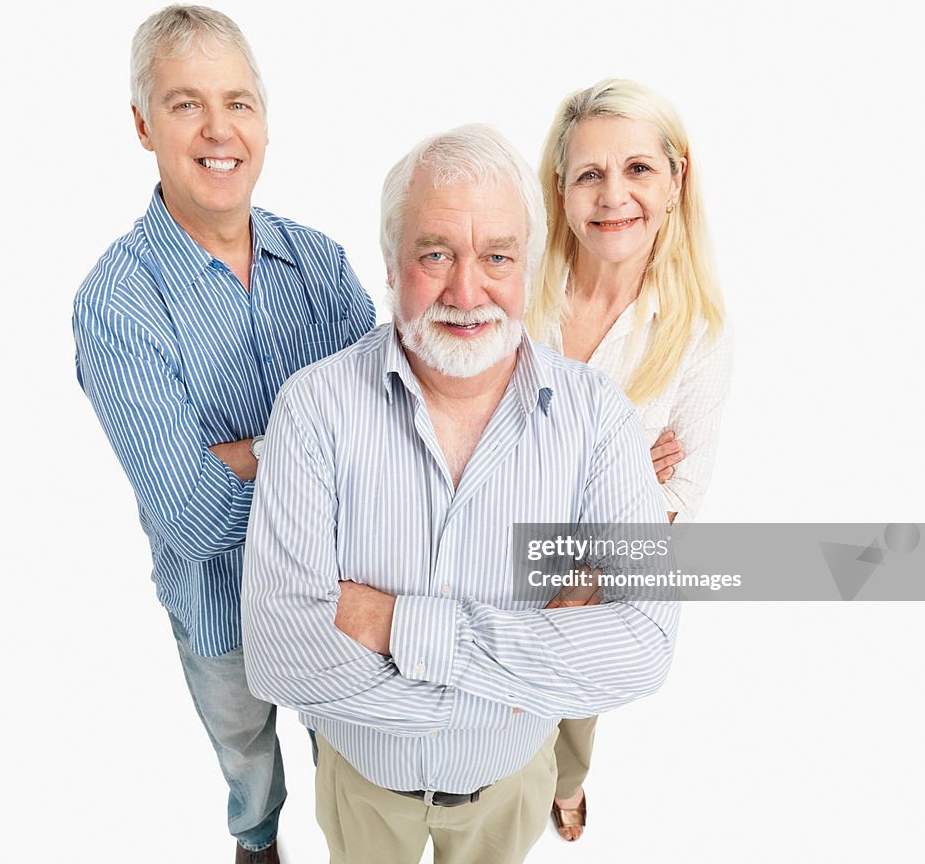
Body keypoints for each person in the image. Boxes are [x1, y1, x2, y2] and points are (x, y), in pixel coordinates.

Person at [241, 124, 680, 864]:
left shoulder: (600, 416)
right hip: (364, 785)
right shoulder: (313, 407)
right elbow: (282, 654)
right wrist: (516, 685)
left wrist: (392, 624)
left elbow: (645, 644)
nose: (466, 290)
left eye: (497, 256)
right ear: (390, 262)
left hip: (508, 786)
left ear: (530, 267)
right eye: (435, 253)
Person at [72, 4, 376, 864]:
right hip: (220, 608)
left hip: (338, 597)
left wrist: (243, 452)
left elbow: (389, 427)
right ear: (143, 124)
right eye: (185, 104)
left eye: (239, 102)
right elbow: (194, 519)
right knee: (247, 754)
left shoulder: (320, 262)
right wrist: (314, 441)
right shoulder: (116, 304)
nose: (218, 129)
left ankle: (341, 831)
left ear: (266, 124)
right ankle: (258, 836)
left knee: (346, 758)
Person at [525, 78, 733, 842]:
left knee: (574, 717)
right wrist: (619, 476)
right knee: (490, 726)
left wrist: (610, 526)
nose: (614, 195)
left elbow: (679, 491)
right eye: (590, 174)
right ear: (562, 188)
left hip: (600, 581)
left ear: (677, 179)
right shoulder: (516, 288)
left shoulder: (700, 333)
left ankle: (568, 784)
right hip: (482, 546)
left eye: (638, 169)